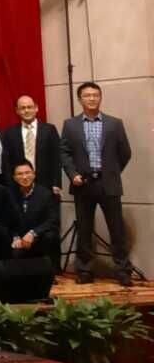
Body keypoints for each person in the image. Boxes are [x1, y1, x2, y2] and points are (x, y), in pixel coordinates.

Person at [60, 82, 133, 286]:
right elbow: (64, 152)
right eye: (87, 95)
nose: (92, 99)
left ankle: (122, 270)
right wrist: (72, 174)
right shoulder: (70, 125)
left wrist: (112, 172)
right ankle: (85, 270)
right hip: (82, 183)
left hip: (108, 183)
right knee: (84, 229)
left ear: (100, 98)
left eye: (96, 95)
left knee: (116, 229)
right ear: (80, 99)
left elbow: (125, 152)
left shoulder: (114, 123)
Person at [1, 96, 60, 194]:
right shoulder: (10, 133)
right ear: (17, 111)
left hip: (46, 183)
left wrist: (56, 183)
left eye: (29, 107)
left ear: (36, 108)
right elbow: (6, 161)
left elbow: (56, 158)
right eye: (22, 108)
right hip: (19, 184)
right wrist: (9, 184)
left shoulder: (49, 130)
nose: (26, 111)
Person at [9, 162, 60, 260]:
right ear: (14, 178)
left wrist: (33, 233)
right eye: (20, 174)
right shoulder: (10, 194)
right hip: (19, 237)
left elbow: (52, 220)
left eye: (27, 173)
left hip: (38, 236)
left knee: (50, 236)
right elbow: (7, 219)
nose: (24, 177)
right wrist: (15, 236)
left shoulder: (46, 194)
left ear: (34, 174)